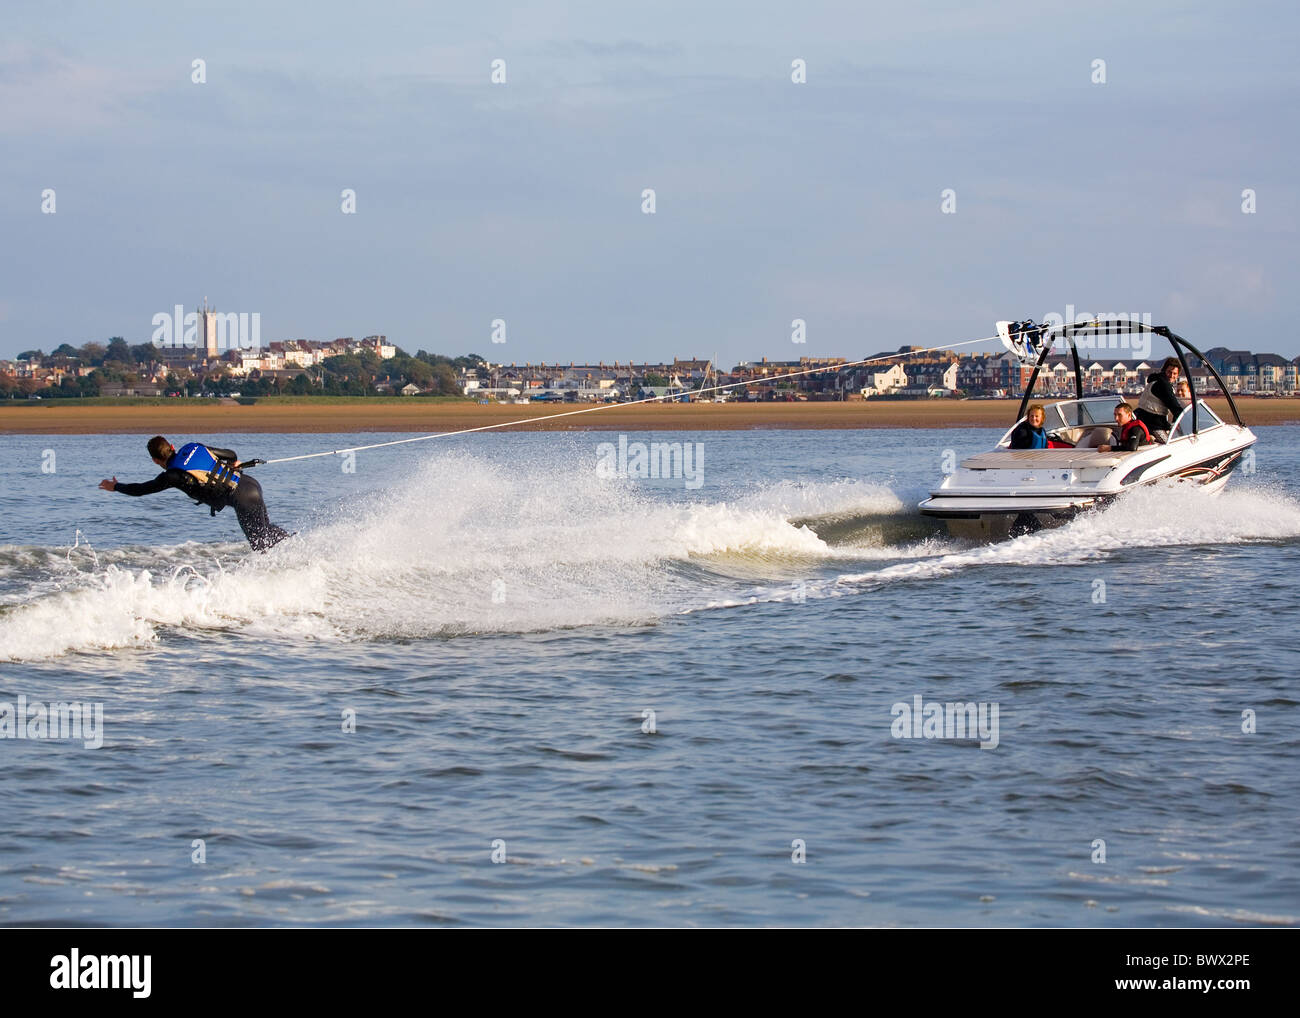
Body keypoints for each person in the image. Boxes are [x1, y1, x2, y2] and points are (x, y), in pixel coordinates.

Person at [99, 436, 291, 551]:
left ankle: (285, 571)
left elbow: (141, 490)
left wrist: (115, 486)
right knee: (266, 531)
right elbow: (230, 454)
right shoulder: (194, 447)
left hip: (241, 499)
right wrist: (234, 463)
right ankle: (297, 545)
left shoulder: (172, 476)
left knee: (261, 544)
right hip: (250, 485)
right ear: (172, 446)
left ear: (155, 460)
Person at [1135, 357, 1185, 439]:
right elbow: (1174, 406)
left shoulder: (1155, 380)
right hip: (1153, 425)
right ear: (1164, 370)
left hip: (1145, 420)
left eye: (1174, 373)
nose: (1171, 376)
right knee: (1170, 444)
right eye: (1169, 372)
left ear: (1178, 374)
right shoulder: (1163, 385)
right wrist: (1186, 419)